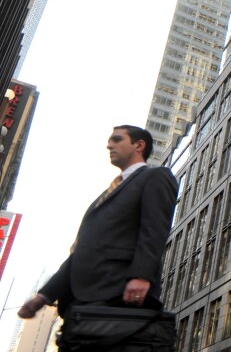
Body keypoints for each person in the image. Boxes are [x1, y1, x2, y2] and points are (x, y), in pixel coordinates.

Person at [16, 126, 178, 342]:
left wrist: (141, 275)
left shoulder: (156, 176)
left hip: (118, 295)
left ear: (139, 145)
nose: (109, 145)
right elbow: (83, 252)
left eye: (117, 139)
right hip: (81, 304)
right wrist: (44, 296)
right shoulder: (104, 197)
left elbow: (155, 228)